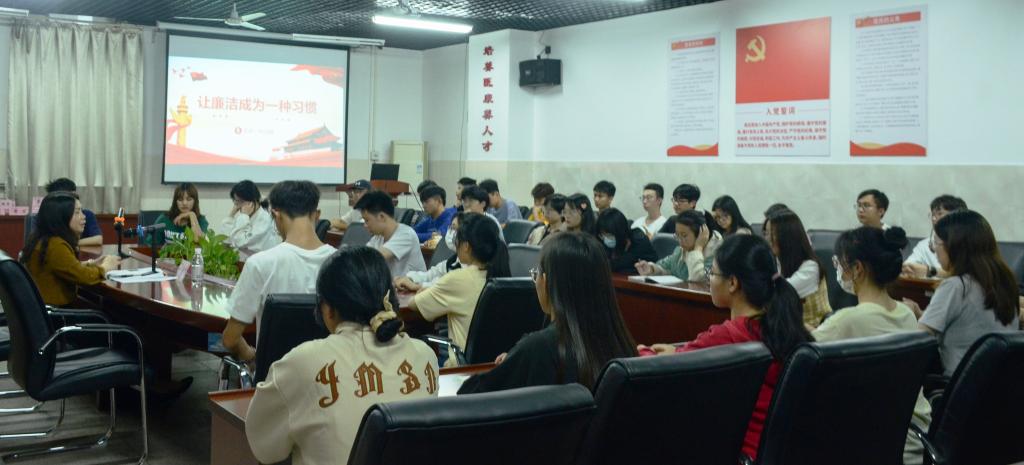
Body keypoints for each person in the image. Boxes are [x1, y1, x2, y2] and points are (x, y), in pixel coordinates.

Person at [245, 246, 438, 465]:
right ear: (390, 299)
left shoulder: (304, 362)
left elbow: (265, 449)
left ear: (327, 309)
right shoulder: (425, 356)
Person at [638, 234, 813, 462]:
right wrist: (677, 352)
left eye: (712, 273)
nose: (709, 279)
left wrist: (642, 350)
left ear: (733, 283)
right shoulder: (787, 328)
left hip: (744, 454)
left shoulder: (729, 335)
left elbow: (656, 370)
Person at [459, 232, 637, 393]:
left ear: (546, 281)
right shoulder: (622, 345)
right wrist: (517, 362)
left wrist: (517, 361)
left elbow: (469, 395)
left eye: (536, 273)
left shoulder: (538, 348)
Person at [812, 225, 929, 465]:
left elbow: (798, 354)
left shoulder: (847, 320)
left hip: (872, 445)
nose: (837, 269)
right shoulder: (906, 313)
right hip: (915, 439)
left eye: (839, 263)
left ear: (857, 269)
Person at [221, 181, 336, 363]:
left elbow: (230, 339)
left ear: (275, 214)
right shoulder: (341, 261)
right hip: (327, 373)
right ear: (317, 214)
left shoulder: (259, 264)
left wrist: (252, 357)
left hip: (273, 375)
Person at [903, 210, 1020, 377]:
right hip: (999, 383)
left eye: (936, 243)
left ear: (954, 246)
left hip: (959, 385)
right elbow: (970, 325)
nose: (934, 250)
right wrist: (921, 314)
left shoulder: (956, 286)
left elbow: (919, 340)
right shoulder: (1005, 283)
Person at [409, 212, 510, 366]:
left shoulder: (458, 278)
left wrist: (425, 291)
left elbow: (414, 304)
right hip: (496, 368)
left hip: (460, 370)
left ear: (466, 246)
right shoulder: (503, 276)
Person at [21, 192, 121, 306]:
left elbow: (65, 267)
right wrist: (105, 267)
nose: (83, 216)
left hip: (45, 309)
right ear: (61, 217)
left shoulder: (43, 239)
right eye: (77, 212)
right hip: (58, 312)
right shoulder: (56, 245)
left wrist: (91, 264)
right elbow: (84, 278)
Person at [765, 209, 832, 327]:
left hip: (813, 330)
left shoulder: (810, 268)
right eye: (766, 233)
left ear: (788, 237)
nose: (768, 239)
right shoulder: (779, 260)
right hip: (788, 328)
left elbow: (777, 295)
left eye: (773, 234)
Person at [636, 210, 722, 282]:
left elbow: (697, 279)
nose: (680, 241)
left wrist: (698, 248)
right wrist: (651, 269)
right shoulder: (681, 251)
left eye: (684, 235)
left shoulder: (717, 256)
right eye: (677, 235)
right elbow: (665, 266)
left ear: (700, 234)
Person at [357, 191, 426, 277]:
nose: (365, 225)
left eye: (367, 220)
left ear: (381, 217)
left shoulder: (406, 234)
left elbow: (374, 258)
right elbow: (362, 257)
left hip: (415, 285)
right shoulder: (378, 238)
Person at [903, 195, 967, 279]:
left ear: (957, 215)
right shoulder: (925, 244)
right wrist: (908, 269)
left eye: (939, 214)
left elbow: (965, 274)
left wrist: (929, 270)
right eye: (932, 215)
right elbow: (908, 266)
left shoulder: (969, 242)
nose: (933, 219)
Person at [395, 216, 463, 291]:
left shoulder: (469, 268)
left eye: (454, 228)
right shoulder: (452, 261)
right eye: (450, 228)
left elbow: (446, 286)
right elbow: (430, 275)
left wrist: (417, 286)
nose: (450, 232)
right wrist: (408, 277)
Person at [222, 180, 281, 257]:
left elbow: (240, 242)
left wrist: (243, 216)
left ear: (252, 201)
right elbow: (226, 240)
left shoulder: (264, 220)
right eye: (235, 201)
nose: (238, 205)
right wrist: (231, 215)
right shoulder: (244, 217)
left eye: (240, 201)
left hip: (261, 262)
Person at [44, 178, 102, 246]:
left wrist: (71, 243)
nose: (75, 199)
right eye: (70, 197)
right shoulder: (47, 218)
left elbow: (98, 239)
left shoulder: (87, 214)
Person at [596, 208, 657, 273]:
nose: (605, 238)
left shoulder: (639, 240)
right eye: (602, 235)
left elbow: (619, 264)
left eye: (608, 235)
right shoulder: (606, 242)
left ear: (619, 232)